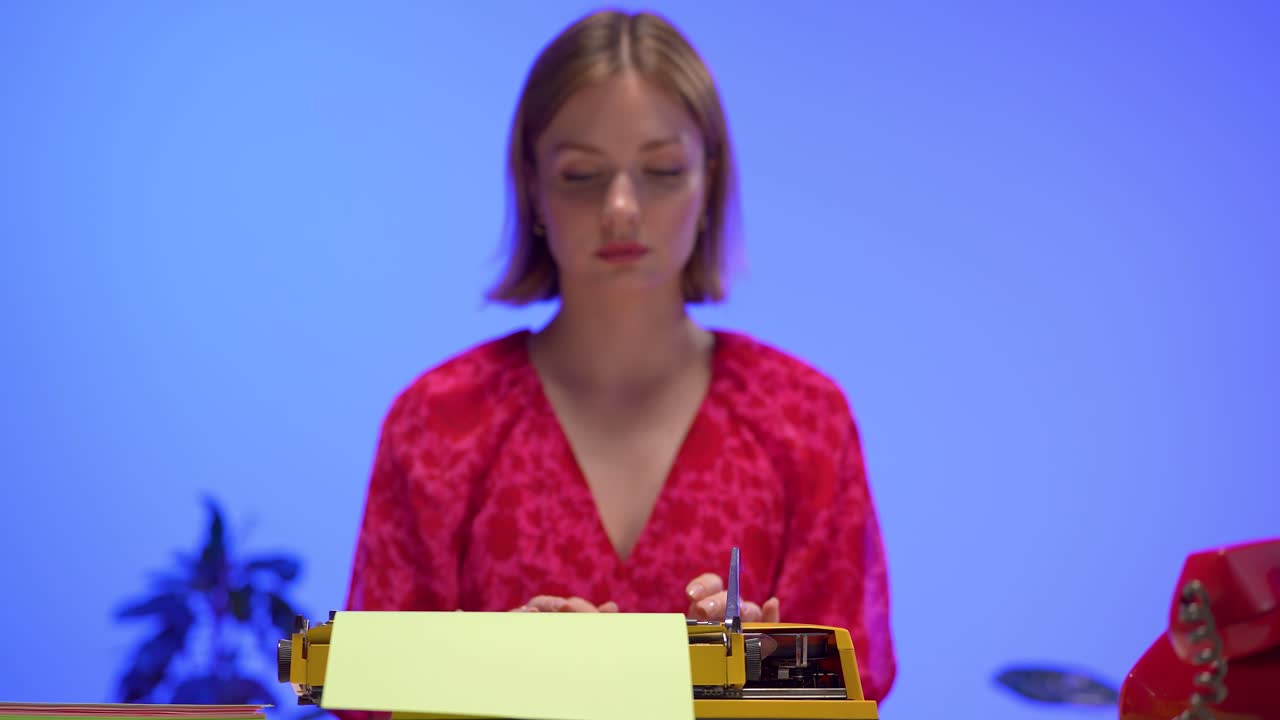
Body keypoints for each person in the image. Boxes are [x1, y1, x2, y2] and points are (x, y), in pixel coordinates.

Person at [345, 8, 896, 701]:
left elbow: (853, 686)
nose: (622, 208)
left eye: (662, 170)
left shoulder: (805, 420)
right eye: (582, 175)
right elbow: (368, 693)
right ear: (532, 186)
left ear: (709, 182)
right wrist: (495, 666)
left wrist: (747, 676)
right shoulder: (437, 423)